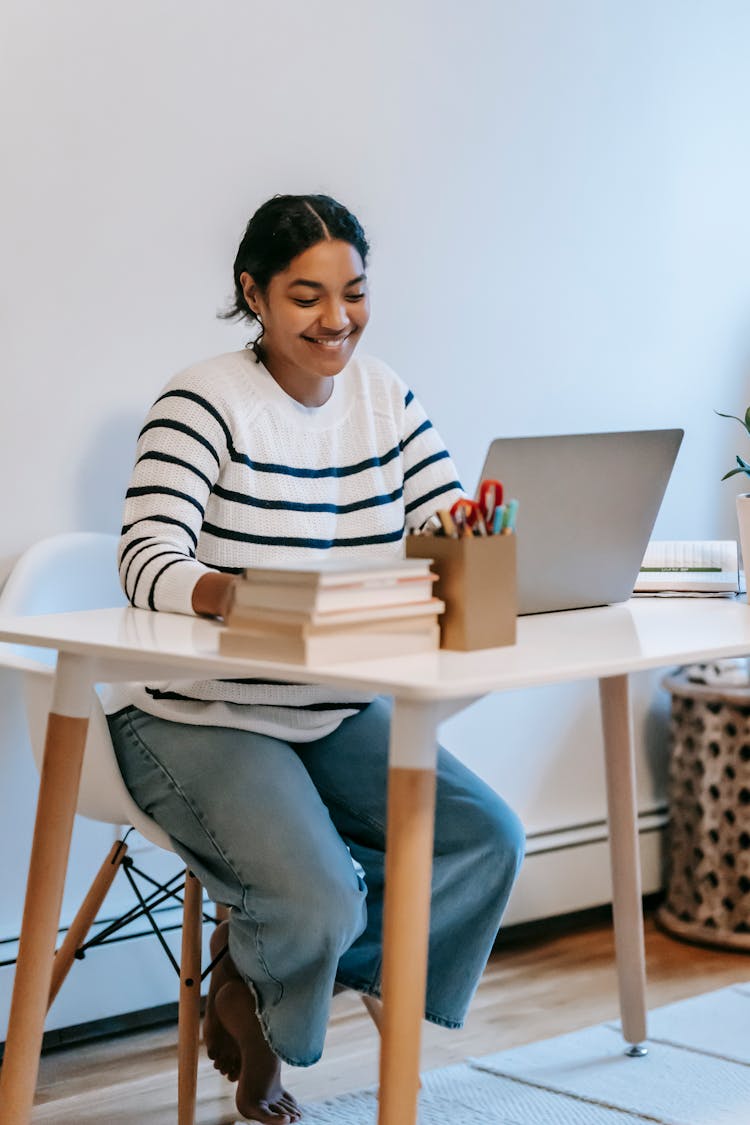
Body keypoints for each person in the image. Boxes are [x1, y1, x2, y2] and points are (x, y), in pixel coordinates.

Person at [105, 193, 525, 1124]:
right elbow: (146, 560)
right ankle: (272, 994)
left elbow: (441, 516)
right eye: (306, 296)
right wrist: (241, 595)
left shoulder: (384, 395)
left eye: (355, 292)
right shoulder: (202, 398)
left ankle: (259, 976)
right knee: (321, 894)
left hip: (325, 700)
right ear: (252, 293)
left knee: (483, 838)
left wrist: (471, 539)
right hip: (195, 709)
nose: (337, 319)